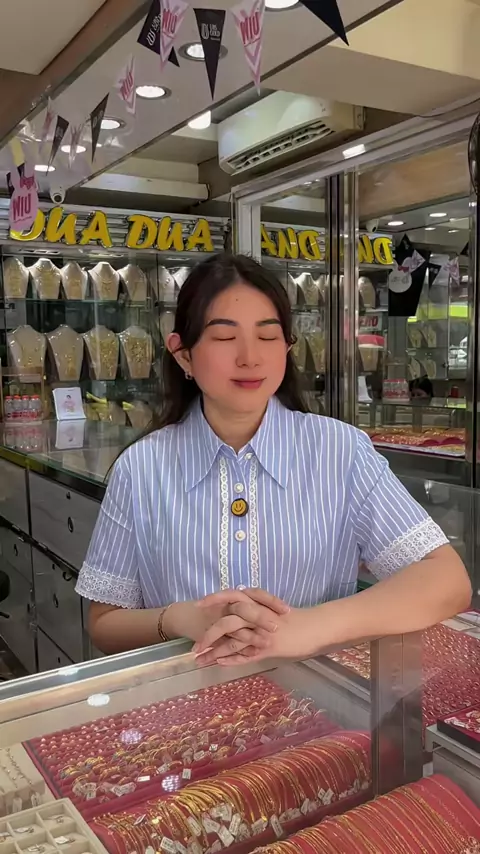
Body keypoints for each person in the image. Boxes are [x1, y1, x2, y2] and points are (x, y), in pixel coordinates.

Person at [75, 254, 471, 666]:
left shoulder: (339, 450)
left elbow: (446, 580)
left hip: (318, 696)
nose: (250, 357)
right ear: (183, 354)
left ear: (287, 347)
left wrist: (307, 628)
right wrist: (177, 619)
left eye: (267, 336)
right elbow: (104, 623)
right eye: (224, 337)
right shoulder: (142, 468)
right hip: (186, 699)